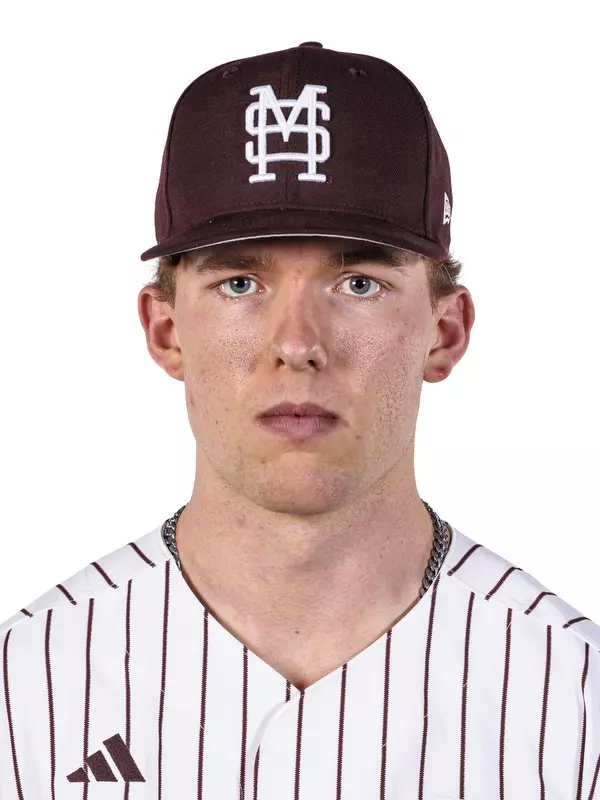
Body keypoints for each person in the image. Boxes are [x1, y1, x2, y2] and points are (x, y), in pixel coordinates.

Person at [1, 42, 598, 800]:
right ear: (165, 330)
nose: (296, 345)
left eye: (358, 282)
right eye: (241, 281)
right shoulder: (24, 691)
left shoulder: (577, 705)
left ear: (444, 333)